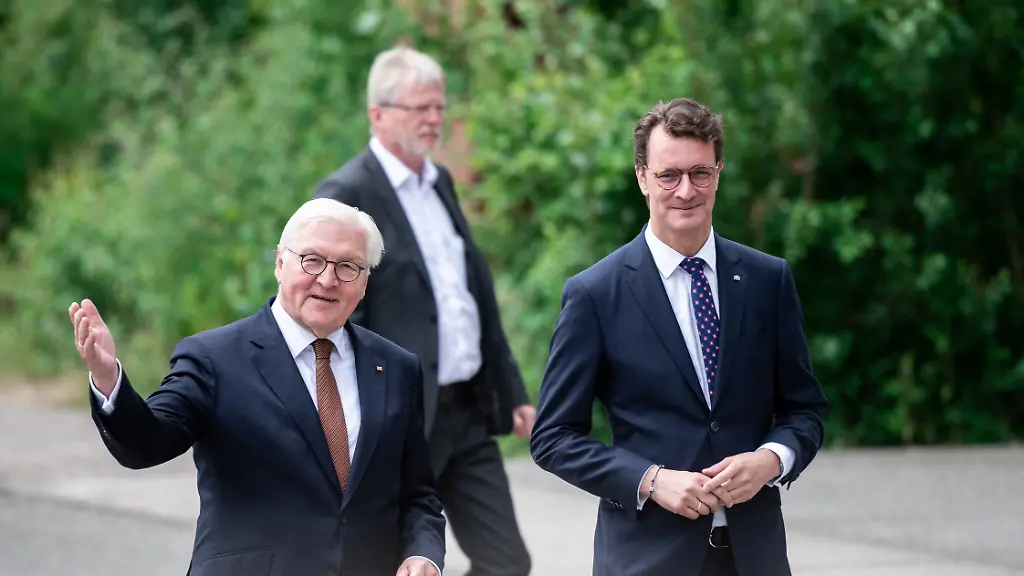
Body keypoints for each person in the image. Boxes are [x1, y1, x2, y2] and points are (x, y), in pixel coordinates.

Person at [529, 97, 829, 576]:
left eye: (700, 173)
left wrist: (770, 460)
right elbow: (553, 437)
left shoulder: (766, 280)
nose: (686, 190)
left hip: (756, 558)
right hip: (645, 559)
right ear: (642, 178)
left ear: (718, 173)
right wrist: (650, 480)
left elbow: (804, 409)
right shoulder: (596, 294)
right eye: (669, 175)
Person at [69, 198, 445, 576]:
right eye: (312, 260)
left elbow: (418, 495)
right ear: (280, 262)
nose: (328, 279)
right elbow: (146, 443)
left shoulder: (395, 367)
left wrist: (422, 555)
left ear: (365, 281)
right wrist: (108, 378)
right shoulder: (214, 358)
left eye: (348, 266)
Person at [312, 45, 533, 576]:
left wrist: (511, 390)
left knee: (507, 562)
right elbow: (332, 313)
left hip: (467, 410)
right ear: (378, 113)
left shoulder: (440, 183)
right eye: (420, 108)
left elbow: (470, 295)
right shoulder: (348, 193)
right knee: (391, 562)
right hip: (400, 415)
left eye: (439, 107)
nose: (435, 119)